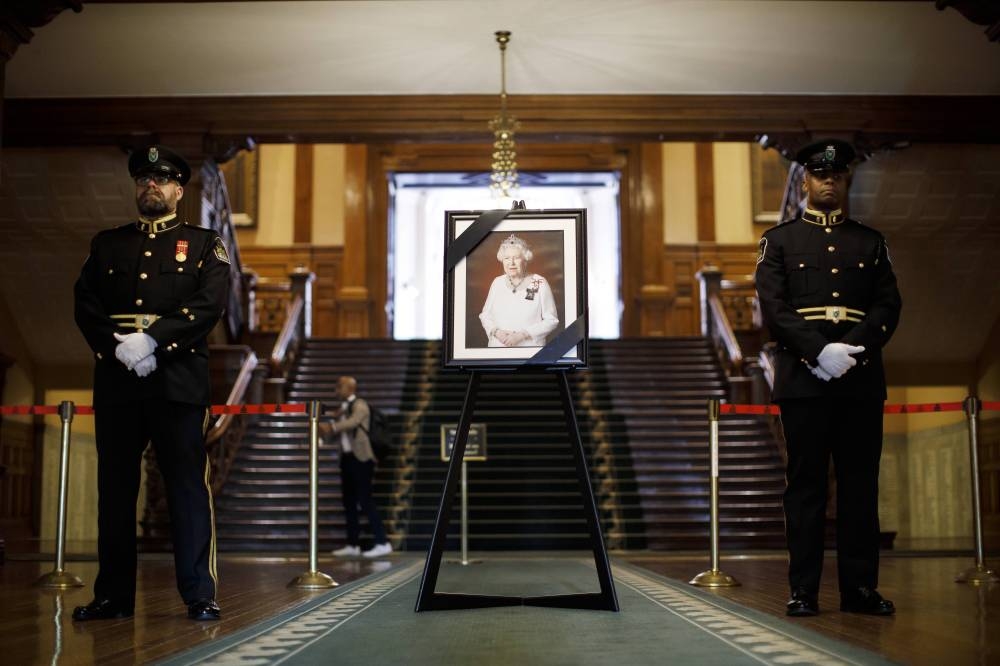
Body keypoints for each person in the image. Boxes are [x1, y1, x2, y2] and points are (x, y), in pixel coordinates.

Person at [72, 145, 231, 621]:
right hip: (119, 378)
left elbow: (208, 306)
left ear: (179, 190)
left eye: (161, 179)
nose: (151, 186)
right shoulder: (107, 243)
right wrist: (118, 346)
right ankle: (113, 596)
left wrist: (153, 342)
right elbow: (85, 304)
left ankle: (199, 593)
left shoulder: (205, 243)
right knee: (116, 490)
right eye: (144, 178)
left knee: (186, 487)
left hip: (178, 380)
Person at [754, 139, 902, 617]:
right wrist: (819, 351)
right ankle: (804, 590)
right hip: (803, 379)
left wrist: (850, 352)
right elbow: (773, 309)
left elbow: (887, 306)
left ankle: (860, 590)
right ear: (805, 181)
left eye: (837, 176)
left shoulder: (871, 241)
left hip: (859, 380)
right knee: (806, 489)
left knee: (860, 487)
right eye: (821, 175)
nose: (829, 182)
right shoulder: (778, 242)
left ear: (846, 181)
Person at [325, 376, 392, 558]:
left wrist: (332, 426)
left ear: (350, 387)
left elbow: (353, 423)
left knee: (365, 499)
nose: (336, 389)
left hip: (362, 459)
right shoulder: (343, 408)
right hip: (347, 459)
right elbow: (341, 431)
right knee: (349, 501)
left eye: (339, 385)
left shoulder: (359, 404)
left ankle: (382, 542)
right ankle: (353, 544)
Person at [479, 234, 559, 347]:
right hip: (498, 350)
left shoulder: (538, 282)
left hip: (528, 352)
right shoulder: (497, 282)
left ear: (525, 260)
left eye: (516, 258)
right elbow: (485, 315)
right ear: (502, 260)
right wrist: (497, 332)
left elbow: (551, 320)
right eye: (506, 258)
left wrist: (522, 335)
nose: (511, 263)